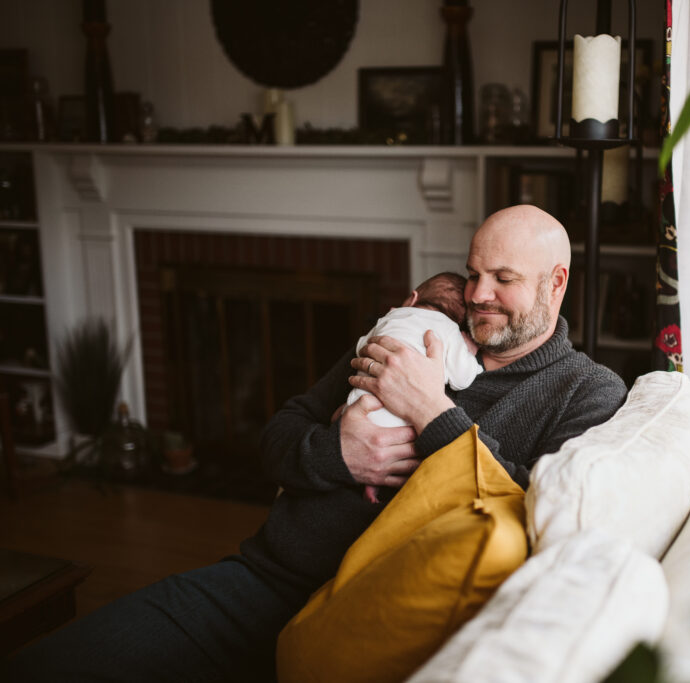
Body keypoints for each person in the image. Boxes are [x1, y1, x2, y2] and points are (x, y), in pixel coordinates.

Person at [5, 204, 628, 683]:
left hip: (369, 620)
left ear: (556, 284)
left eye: (503, 279)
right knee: (48, 665)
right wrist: (337, 452)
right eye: (473, 273)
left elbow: (531, 503)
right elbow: (276, 435)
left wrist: (430, 410)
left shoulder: (586, 391)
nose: (477, 295)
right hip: (265, 581)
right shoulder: (418, 329)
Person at [341, 271, 483, 502]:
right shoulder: (448, 331)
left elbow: (361, 348)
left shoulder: (391, 318)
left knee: (349, 410)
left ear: (412, 299)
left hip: (358, 409)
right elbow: (462, 378)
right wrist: (471, 357)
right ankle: (373, 488)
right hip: (397, 430)